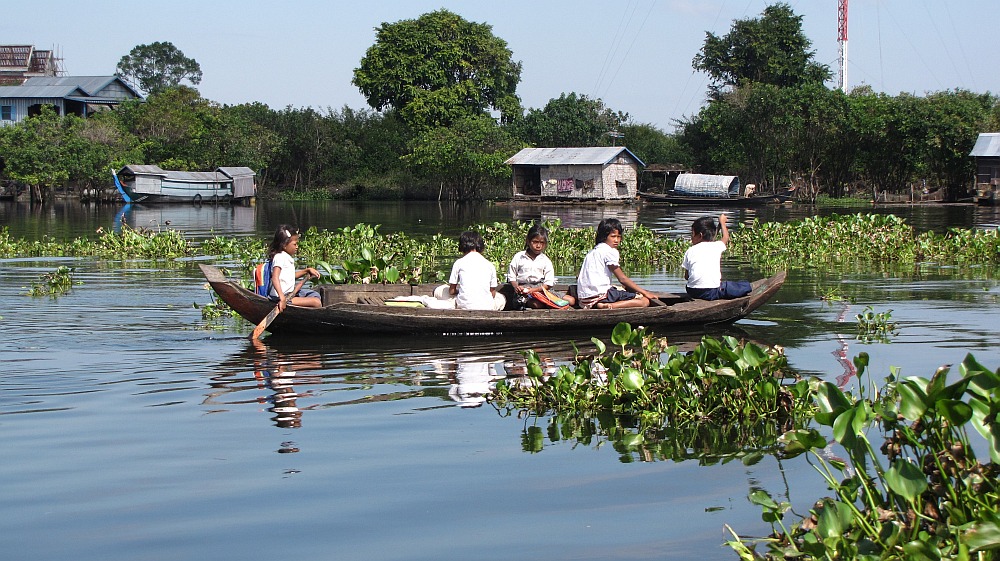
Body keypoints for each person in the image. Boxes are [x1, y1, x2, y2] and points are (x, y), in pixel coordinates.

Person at [576, 218, 657, 309]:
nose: (616, 240)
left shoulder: (592, 252)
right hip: (601, 295)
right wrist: (645, 293)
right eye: (613, 236)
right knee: (644, 301)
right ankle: (611, 306)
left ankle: (601, 304)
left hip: (585, 299)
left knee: (619, 288)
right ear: (604, 236)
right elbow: (622, 279)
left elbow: (578, 275)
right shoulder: (610, 251)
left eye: (618, 237)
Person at [681, 213, 751, 300]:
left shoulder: (690, 250)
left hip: (692, 291)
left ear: (700, 235)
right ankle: (748, 287)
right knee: (735, 286)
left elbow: (686, 277)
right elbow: (725, 237)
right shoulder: (716, 246)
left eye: (692, 233)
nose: (691, 237)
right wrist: (723, 223)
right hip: (712, 292)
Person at [506, 224, 576, 309]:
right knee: (537, 305)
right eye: (535, 242)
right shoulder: (519, 257)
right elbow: (511, 277)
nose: (538, 246)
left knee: (571, 300)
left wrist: (534, 290)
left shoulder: (545, 260)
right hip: (523, 290)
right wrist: (517, 287)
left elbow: (548, 283)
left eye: (542, 243)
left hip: (541, 289)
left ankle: (549, 303)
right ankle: (549, 304)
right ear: (528, 241)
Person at [267, 224, 322, 311]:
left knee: (315, 295)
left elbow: (290, 276)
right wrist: (282, 298)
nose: (297, 247)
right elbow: (275, 278)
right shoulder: (279, 257)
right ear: (284, 245)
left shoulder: (286, 257)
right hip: (281, 297)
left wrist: (307, 270)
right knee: (316, 302)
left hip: (289, 294)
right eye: (295, 244)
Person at [449, 230, 505, 311]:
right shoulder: (490, 265)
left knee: (440, 290)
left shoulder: (459, 263)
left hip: (464, 306)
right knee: (501, 298)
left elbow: (451, 291)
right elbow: (492, 293)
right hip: (487, 307)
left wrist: (459, 292)